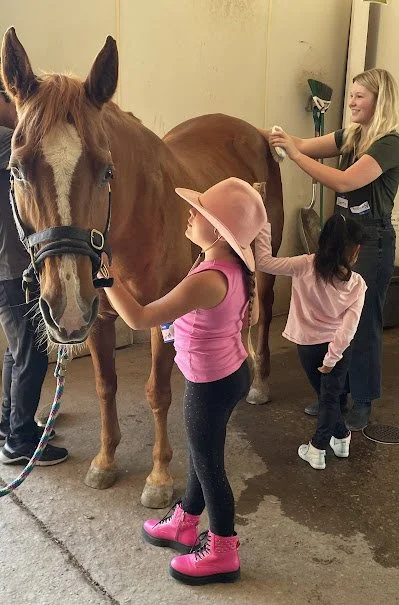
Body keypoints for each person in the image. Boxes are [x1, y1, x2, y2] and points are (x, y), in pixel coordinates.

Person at [101, 177, 266, 585]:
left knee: (209, 465)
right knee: (200, 451)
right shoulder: (230, 267)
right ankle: (186, 521)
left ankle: (222, 551)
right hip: (229, 375)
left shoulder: (207, 277)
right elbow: (252, 317)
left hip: (209, 387)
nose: (190, 213)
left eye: (201, 211)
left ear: (220, 229)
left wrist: (106, 277)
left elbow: (139, 319)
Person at [266, 68, 399, 431]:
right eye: (351, 94)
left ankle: (364, 400)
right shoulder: (351, 135)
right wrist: (271, 136)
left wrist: (292, 153)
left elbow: (342, 180)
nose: (352, 101)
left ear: (379, 100)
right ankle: (335, 395)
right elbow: (304, 144)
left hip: (371, 240)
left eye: (360, 95)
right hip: (341, 235)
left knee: (362, 321)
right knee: (330, 319)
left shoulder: (389, 143)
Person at [256, 211, 366, 469]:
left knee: (327, 396)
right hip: (338, 349)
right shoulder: (357, 285)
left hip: (307, 346)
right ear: (355, 250)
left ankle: (318, 447)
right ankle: (341, 437)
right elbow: (349, 329)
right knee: (331, 397)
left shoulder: (304, 265)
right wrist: (333, 357)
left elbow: (263, 262)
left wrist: (263, 223)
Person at [0, 83, 68, 465]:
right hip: (12, 267)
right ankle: (20, 441)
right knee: (33, 353)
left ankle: (11, 425)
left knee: (16, 350)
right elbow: (51, 149)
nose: (18, 110)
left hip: (7, 265)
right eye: (14, 103)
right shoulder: (6, 140)